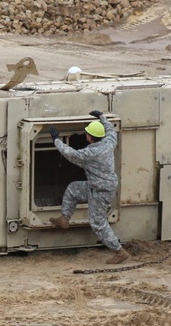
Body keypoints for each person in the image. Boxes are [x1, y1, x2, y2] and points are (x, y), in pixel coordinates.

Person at [48, 111, 130, 264]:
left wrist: (56, 140)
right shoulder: (109, 142)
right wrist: (102, 117)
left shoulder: (90, 152)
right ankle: (64, 218)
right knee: (73, 189)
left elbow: (70, 153)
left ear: (90, 137)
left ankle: (119, 251)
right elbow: (111, 130)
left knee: (97, 223)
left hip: (100, 191)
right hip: (98, 185)